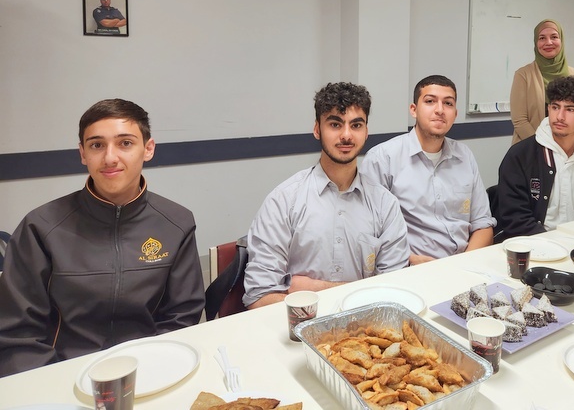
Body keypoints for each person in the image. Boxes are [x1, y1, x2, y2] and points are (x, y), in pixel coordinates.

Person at [0, 99, 205, 378]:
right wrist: (54, 383)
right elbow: (17, 334)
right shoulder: (40, 227)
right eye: (97, 145)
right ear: (83, 153)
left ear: (148, 149)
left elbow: (181, 317)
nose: (110, 158)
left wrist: (153, 370)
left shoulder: (176, 222)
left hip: (148, 370)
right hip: (61, 374)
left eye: (125, 143)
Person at [243, 82, 410, 308]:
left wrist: (315, 288)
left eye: (356, 125)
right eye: (335, 124)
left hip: (364, 327)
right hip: (300, 327)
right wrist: (360, 293)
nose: (346, 135)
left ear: (366, 132)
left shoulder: (385, 205)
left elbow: (392, 294)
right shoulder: (283, 201)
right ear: (317, 129)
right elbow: (258, 298)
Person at [361, 75, 495, 264]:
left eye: (448, 103)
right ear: (413, 110)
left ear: (455, 113)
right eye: (430, 101)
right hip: (410, 268)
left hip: (464, 264)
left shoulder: (464, 156)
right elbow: (368, 234)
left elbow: (483, 224)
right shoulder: (383, 158)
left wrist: (463, 264)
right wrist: (410, 261)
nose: (440, 110)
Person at [496, 76, 574, 238]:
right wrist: (554, 243)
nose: (560, 116)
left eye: (570, 109)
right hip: (532, 244)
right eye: (555, 107)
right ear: (548, 109)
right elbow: (515, 219)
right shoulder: (520, 156)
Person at [510, 19, 574, 145]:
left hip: (566, 147)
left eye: (554, 37)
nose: (548, 42)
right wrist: (544, 146)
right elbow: (520, 121)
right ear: (536, 43)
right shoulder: (523, 75)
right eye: (542, 38)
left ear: (561, 40)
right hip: (531, 147)